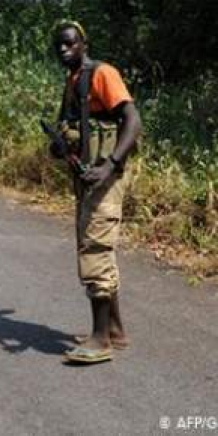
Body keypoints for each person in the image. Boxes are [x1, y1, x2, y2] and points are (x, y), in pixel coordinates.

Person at [50, 20, 141, 365]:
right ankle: (115, 330)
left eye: (70, 44)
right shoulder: (73, 80)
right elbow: (77, 130)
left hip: (104, 176)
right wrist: (60, 147)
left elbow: (133, 120)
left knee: (95, 249)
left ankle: (100, 339)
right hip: (87, 178)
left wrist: (111, 164)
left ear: (84, 45)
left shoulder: (102, 74)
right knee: (95, 245)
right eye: (59, 45)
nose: (64, 50)